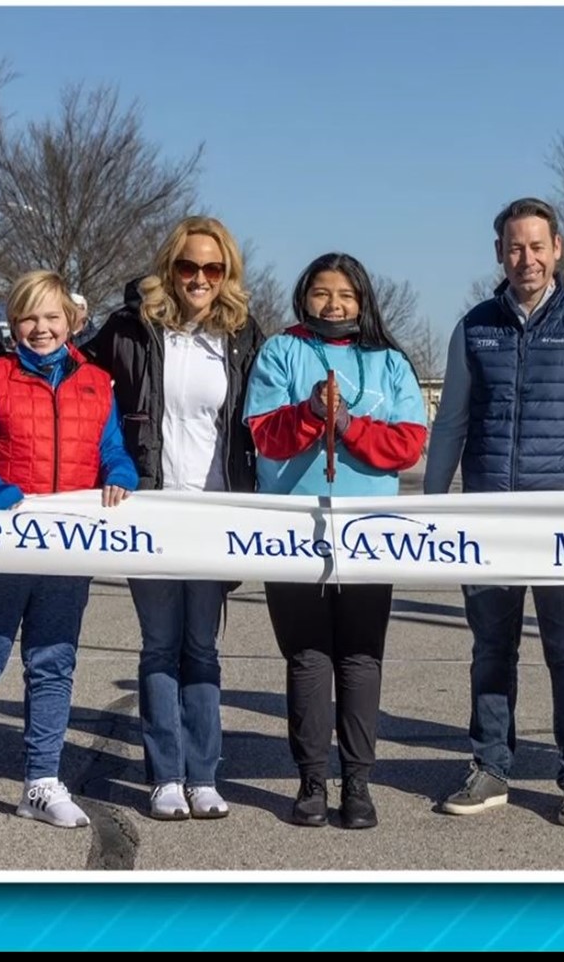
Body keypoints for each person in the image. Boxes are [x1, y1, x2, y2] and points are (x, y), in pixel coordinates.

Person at [423, 197, 564, 828]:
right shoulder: (473, 326)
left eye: (537, 246)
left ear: (558, 249)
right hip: (488, 520)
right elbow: (452, 423)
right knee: (491, 648)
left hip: (563, 522)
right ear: (499, 254)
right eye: (515, 247)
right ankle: (490, 765)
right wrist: (434, 514)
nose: (527, 258)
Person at [0, 271, 139, 832]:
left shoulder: (97, 382)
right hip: (3, 543)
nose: (40, 328)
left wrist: (119, 472)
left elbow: (112, 448)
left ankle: (41, 781)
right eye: (28, 317)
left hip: (67, 548)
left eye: (51, 317)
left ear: (71, 321)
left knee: (52, 664)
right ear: (12, 322)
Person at [87, 215, 267, 822]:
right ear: (170, 267)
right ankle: (165, 775)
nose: (199, 278)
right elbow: (84, 391)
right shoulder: (129, 329)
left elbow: (257, 421)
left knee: (203, 647)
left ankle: (205, 774)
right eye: (188, 266)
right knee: (161, 644)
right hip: (150, 505)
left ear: (227, 275)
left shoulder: (242, 335)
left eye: (212, 269)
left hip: (216, 509)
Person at [244, 253, 428, 830]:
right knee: (306, 656)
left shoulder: (390, 361)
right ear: (305, 297)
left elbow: (407, 444)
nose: (333, 304)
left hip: (370, 533)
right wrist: (308, 413)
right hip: (292, 530)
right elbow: (264, 436)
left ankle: (358, 780)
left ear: (363, 300)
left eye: (345, 294)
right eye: (321, 293)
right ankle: (310, 778)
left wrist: (346, 425)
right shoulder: (280, 351)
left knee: (361, 655)